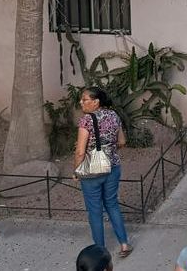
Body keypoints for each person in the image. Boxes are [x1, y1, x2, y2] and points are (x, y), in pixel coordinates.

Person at [73, 87, 132, 256]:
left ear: (96, 102)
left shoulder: (86, 121)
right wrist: (108, 150)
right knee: (112, 204)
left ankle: (101, 251)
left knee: (95, 211)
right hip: (112, 168)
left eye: (84, 99)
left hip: (92, 172)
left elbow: (80, 152)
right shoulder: (114, 116)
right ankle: (124, 244)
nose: (81, 102)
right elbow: (121, 141)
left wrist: (77, 171)